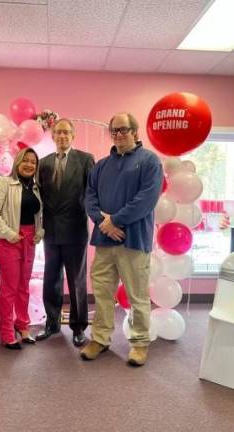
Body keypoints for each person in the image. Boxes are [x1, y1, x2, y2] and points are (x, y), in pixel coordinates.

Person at [80, 113, 163, 366]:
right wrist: (104, 223)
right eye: (114, 131)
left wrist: (114, 221)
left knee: (137, 295)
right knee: (103, 294)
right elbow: (89, 198)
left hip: (133, 240)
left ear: (135, 132)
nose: (118, 135)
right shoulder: (101, 166)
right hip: (105, 242)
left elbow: (147, 199)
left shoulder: (149, 161)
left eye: (123, 130)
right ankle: (100, 339)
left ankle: (139, 343)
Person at [36, 118, 95, 347]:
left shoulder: (85, 159)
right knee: (51, 279)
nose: (62, 136)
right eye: (58, 132)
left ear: (73, 136)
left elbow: (92, 194)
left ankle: (79, 327)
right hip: (50, 232)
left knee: (77, 280)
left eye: (66, 133)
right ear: (52, 136)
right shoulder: (44, 163)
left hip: (75, 230)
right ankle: (51, 323)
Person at [0, 148, 44, 350]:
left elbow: (38, 214)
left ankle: (23, 326)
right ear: (17, 162)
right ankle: (7, 332)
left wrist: (40, 230)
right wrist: (9, 233)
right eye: (25, 161)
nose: (29, 165)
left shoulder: (36, 188)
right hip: (9, 240)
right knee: (9, 289)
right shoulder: (3, 182)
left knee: (24, 287)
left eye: (33, 162)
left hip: (29, 240)